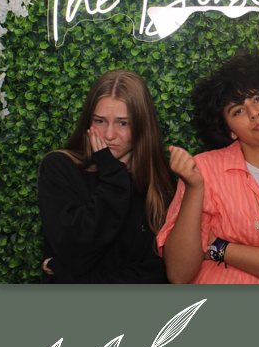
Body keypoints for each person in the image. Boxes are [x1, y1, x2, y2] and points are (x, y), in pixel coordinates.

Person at [157, 52, 259, 284]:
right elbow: (179, 274)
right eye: (238, 110)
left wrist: (217, 246)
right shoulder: (202, 170)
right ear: (230, 130)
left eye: (258, 98)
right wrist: (195, 188)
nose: (254, 113)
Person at [38, 70, 173, 282]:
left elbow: (156, 273)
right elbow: (76, 247)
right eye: (100, 121)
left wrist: (69, 273)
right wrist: (113, 175)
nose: (109, 135)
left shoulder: (159, 182)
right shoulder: (60, 167)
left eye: (123, 123)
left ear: (142, 127)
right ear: (88, 123)